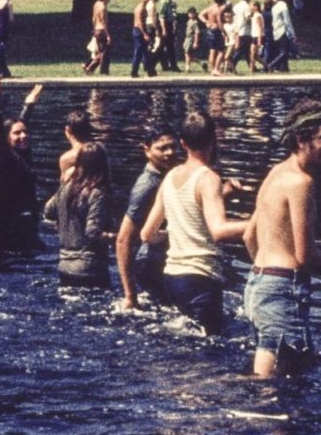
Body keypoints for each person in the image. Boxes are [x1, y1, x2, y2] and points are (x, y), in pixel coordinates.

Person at [244, 101, 321, 378]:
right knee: (268, 383)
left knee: (299, 367)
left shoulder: (276, 173)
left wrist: (266, 277)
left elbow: (249, 235)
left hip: (257, 284)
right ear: (302, 140)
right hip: (283, 289)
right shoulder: (301, 183)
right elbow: (305, 255)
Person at [137, 111, 249, 336]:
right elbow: (219, 231)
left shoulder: (170, 176)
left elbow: (146, 234)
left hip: (172, 278)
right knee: (210, 350)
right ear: (213, 139)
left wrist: (178, 233)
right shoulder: (209, 178)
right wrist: (262, 220)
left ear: (183, 143)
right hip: (200, 278)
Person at [0, 79, 44, 264]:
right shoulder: (1, 158)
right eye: (17, 134)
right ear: (6, 138)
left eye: (25, 132)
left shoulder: (22, 155)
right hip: (4, 240)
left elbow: (20, 125)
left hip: (26, 232)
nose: (23, 136)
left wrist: (28, 105)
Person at [117, 128, 183, 310]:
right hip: (149, 263)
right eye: (162, 148)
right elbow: (123, 239)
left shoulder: (168, 176)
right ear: (146, 150)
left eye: (173, 146)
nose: (169, 153)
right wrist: (130, 296)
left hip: (164, 261)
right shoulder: (147, 186)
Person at [47, 141, 112, 289]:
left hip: (64, 267)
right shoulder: (97, 193)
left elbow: (48, 211)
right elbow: (92, 232)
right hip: (90, 268)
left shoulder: (65, 187)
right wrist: (116, 237)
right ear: (103, 165)